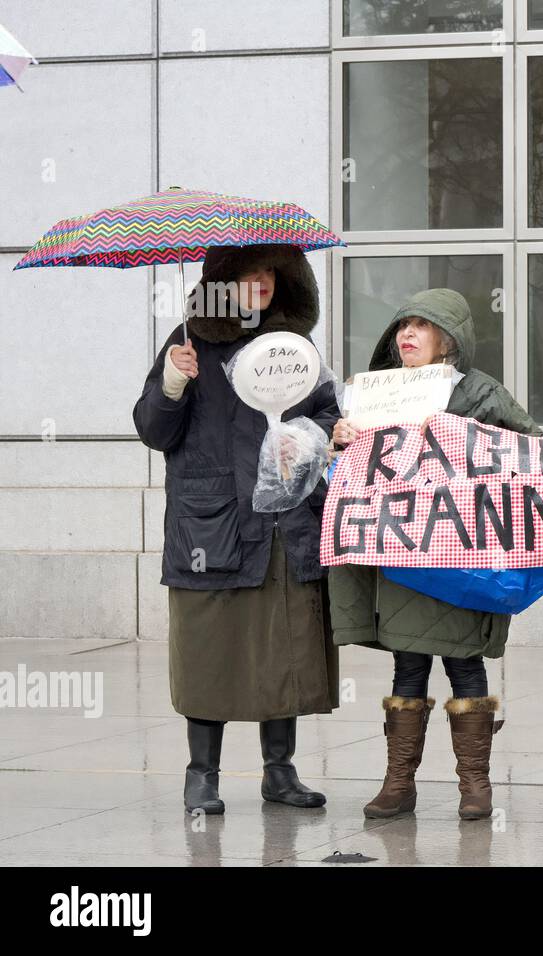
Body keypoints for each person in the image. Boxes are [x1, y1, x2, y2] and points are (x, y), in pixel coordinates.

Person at [133, 244, 341, 815]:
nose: (264, 284)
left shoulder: (293, 349)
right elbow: (154, 430)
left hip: (283, 523)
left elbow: (325, 409)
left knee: (286, 645)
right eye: (250, 275)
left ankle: (280, 772)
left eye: (272, 273)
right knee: (209, 651)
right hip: (214, 525)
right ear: (223, 282)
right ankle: (201, 775)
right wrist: (173, 384)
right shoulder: (188, 342)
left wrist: (309, 437)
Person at [329, 288, 540, 821]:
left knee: (465, 665)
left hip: (459, 554)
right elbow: (350, 472)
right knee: (408, 667)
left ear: (449, 338)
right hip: (402, 555)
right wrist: (342, 438)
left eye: (421, 326)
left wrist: (461, 438)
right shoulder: (375, 393)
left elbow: (530, 452)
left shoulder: (480, 392)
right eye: (403, 325)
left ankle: (476, 787)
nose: (407, 335)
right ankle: (399, 784)